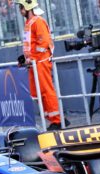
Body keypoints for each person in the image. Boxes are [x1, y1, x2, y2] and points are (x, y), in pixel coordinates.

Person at [15, 0, 65, 130]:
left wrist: (32, 58)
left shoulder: (38, 21)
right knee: (35, 92)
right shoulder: (30, 23)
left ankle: (57, 121)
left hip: (40, 62)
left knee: (46, 91)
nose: (20, 10)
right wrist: (25, 58)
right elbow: (32, 44)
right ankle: (53, 118)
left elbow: (43, 43)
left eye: (21, 7)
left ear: (27, 7)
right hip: (34, 63)